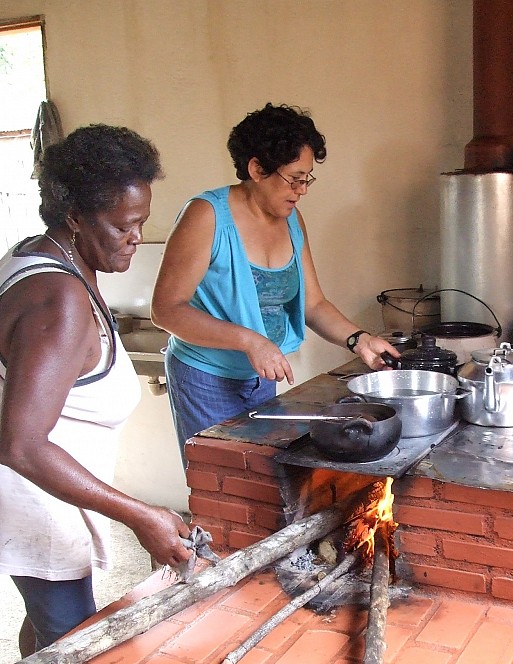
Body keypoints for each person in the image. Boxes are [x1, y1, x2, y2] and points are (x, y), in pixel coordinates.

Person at [0, 124, 192, 658]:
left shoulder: (43, 258)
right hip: (32, 505)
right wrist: (142, 515)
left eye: (142, 223)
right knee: (74, 657)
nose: (136, 238)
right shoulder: (59, 299)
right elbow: (21, 445)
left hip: (47, 500)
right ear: (75, 217)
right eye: (124, 226)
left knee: (46, 632)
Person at [151, 103, 400, 455]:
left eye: (307, 178)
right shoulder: (206, 216)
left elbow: (313, 304)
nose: (302, 189)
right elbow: (166, 310)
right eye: (294, 178)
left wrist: (359, 340)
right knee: (219, 476)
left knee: (258, 472)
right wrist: (251, 342)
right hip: (205, 379)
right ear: (257, 169)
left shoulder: (292, 221)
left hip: (261, 377)